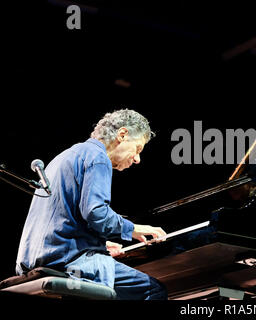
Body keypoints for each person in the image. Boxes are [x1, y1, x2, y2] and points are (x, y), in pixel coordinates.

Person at [15, 109, 168, 300]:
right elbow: (97, 214)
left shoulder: (62, 157)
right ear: (122, 135)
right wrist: (133, 229)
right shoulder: (98, 157)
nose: (137, 159)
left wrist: (95, 241)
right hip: (71, 263)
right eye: (137, 149)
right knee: (153, 290)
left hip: (34, 261)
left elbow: (60, 218)